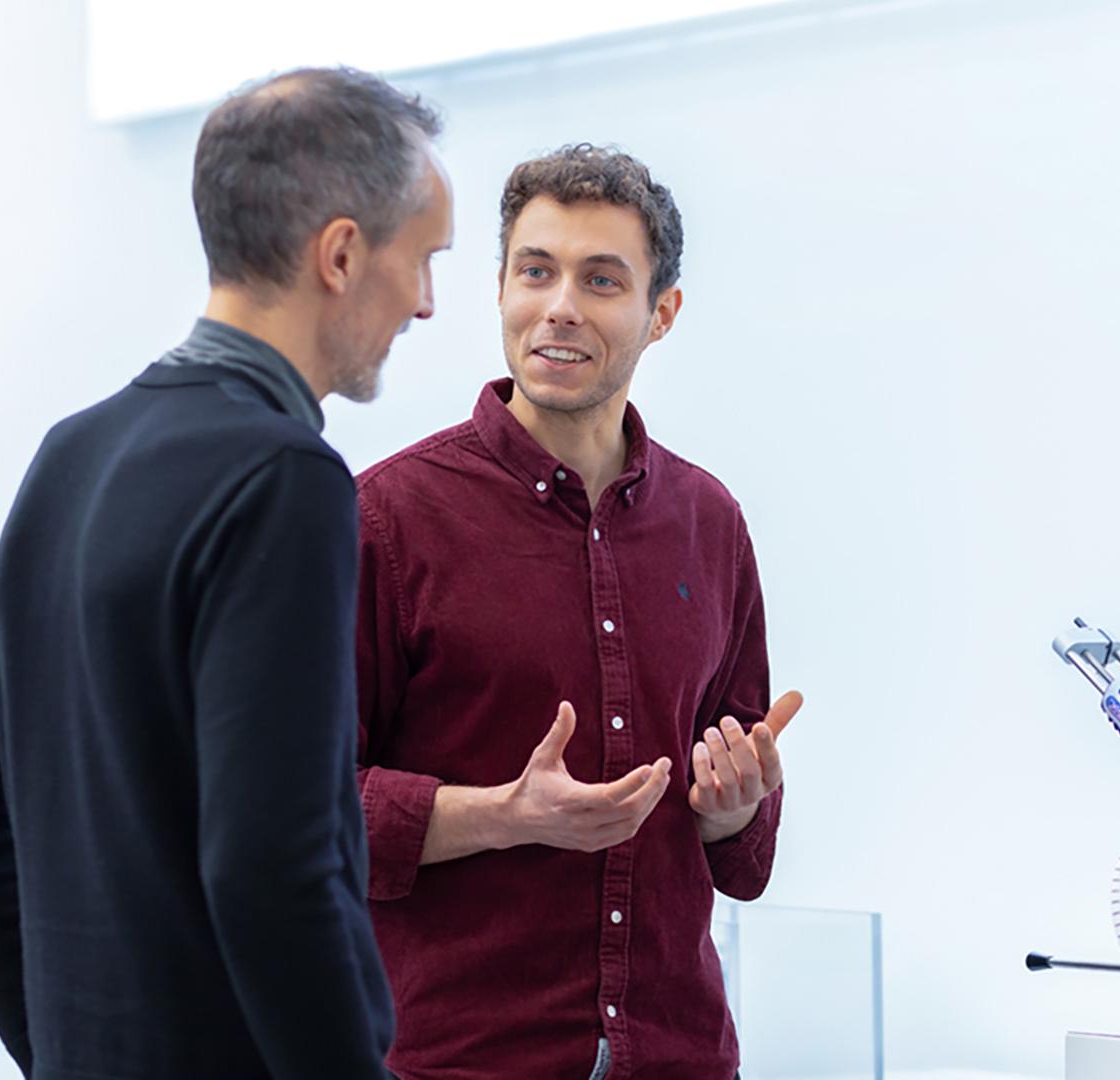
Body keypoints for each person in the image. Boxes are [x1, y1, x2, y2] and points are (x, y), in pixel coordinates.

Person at [0, 66, 454, 1080]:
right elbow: (271, 867)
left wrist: (64, 1043)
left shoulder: (75, 450)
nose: (426, 303)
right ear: (340, 254)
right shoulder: (286, 478)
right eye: (422, 261)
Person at [352, 143, 801, 1080]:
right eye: (536, 271)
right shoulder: (386, 518)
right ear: (502, 289)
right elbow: (301, 816)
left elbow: (744, 861)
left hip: (678, 1055)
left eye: (601, 279)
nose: (560, 306)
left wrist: (736, 807)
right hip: (463, 1060)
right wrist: (503, 815)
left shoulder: (709, 522)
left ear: (660, 313)